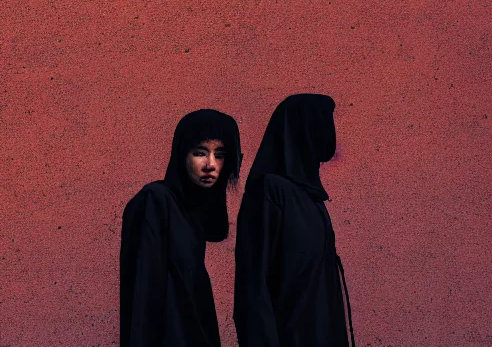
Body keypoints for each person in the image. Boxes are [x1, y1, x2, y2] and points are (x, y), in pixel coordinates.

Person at [234, 93, 356, 347]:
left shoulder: (312, 199)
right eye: (323, 119)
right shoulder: (271, 191)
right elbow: (253, 287)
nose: (330, 129)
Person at [120, 108, 242, 347]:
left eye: (220, 154)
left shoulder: (191, 214)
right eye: (200, 153)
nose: (210, 164)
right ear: (182, 154)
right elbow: (143, 297)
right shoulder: (155, 201)